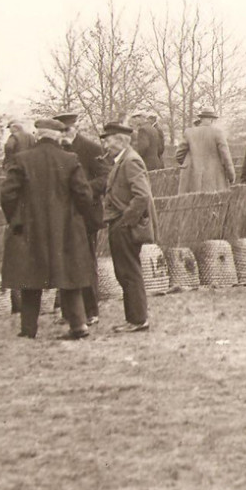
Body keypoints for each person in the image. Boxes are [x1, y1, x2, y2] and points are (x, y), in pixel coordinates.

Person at [0, 119, 101, 341]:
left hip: (30, 230)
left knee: (30, 279)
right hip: (65, 229)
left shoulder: (22, 159)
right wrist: (79, 218)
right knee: (70, 277)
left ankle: (28, 330)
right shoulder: (69, 159)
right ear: (57, 137)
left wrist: (15, 220)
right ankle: (78, 325)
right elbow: (84, 195)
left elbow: (7, 194)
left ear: (38, 136)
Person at [102, 121, 157, 333]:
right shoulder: (123, 160)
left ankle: (138, 320)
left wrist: (126, 221)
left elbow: (142, 196)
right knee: (124, 272)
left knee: (129, 272)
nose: (106, 145)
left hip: (124, 225)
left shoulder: (131, 161)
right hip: (120, 223)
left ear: (120, 140)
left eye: (108, 141)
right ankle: (134, 319)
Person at [56, 111, 110, 327]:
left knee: (86, 261)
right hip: (63, 216)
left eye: (67, 130)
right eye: (60, 131)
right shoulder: (57, 151)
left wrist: (84, 190)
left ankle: (91, 310)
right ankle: (69, 312)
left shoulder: (91, 148)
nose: (64, 135)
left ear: (75, 128)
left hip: (86, 214)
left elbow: (106, 178)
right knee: (64, 262)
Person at [176, 107, 236, 194]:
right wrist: (231, 176)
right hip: (214, 180)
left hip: (192, 180)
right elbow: (226, 157)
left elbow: (179, 155)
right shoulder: (218, 133)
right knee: (214, 204)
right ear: (212, 119)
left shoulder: (189, 132)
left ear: (201, 118)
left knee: (192, 204)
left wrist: (191, 163)